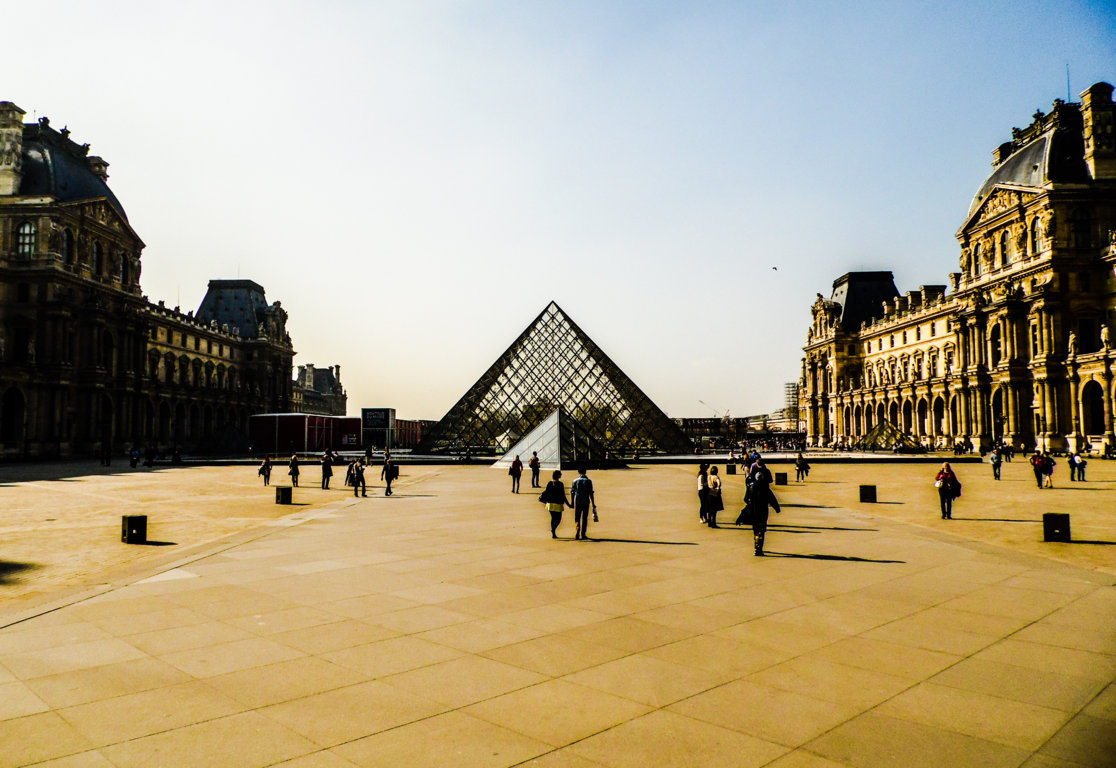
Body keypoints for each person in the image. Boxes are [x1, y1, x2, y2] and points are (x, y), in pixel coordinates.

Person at [747, 458, 780, 556]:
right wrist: (777, 508)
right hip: (763, 510)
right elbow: (772, 499)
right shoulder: (766, 488)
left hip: (754, 509)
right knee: (762, 529)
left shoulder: (752, 488)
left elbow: (746, 498)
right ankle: (759, 548)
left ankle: (756, 545)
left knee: (756, 529)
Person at [540, 469, 571, 538]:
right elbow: (563, 496)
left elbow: (546, 492)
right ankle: (553, 529)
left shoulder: (549, 483)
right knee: (558, 519)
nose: (561, 475)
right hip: (558, 503)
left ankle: (553, 532)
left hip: (550, 503)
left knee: (553, 518)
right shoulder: (560, 484)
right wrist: (568, 504)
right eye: (560, 474)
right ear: (557, 475)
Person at [570, 466, 597, 540]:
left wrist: (572, 502)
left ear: (578, 472)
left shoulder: (575, 481)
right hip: (586, 501)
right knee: (584, 518)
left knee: (577, 517)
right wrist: (593, 503)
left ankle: (577, 530)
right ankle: (583, 533)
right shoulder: (589, 481)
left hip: (578, 501)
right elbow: (591, 493)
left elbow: (572, 492)